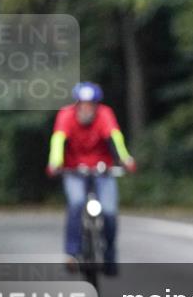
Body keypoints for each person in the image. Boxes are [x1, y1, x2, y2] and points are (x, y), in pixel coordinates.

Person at [46, 82, 136, 274]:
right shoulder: (66, 115)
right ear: (76, 105)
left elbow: (115, 138)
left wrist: (125, 159)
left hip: (103, 170)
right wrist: (55, 163)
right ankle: (71, 253)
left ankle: (110, 255)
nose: (86, 110)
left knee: (110, 212)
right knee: (77, 203)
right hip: (73, 171)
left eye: (91, 106)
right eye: (83, 105)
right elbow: (58, 141)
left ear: (97, 106)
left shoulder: (105, 114)